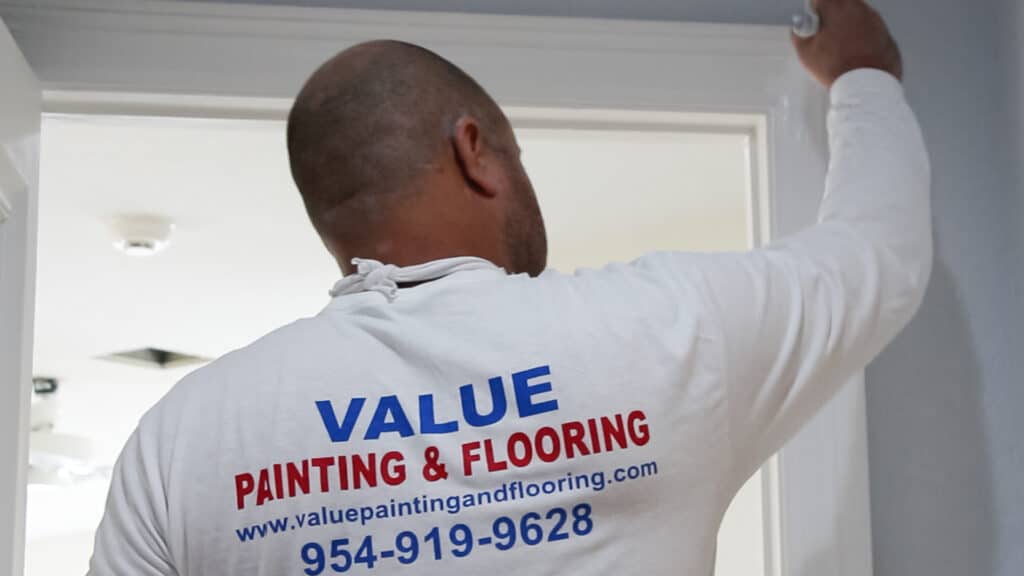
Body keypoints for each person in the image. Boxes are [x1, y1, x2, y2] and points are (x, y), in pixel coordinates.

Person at [88, 0, 931, 574]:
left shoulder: (181, 442)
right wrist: (863, 75)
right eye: (516, 156)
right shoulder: (667, 329)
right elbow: (879, 252)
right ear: (473, 150)